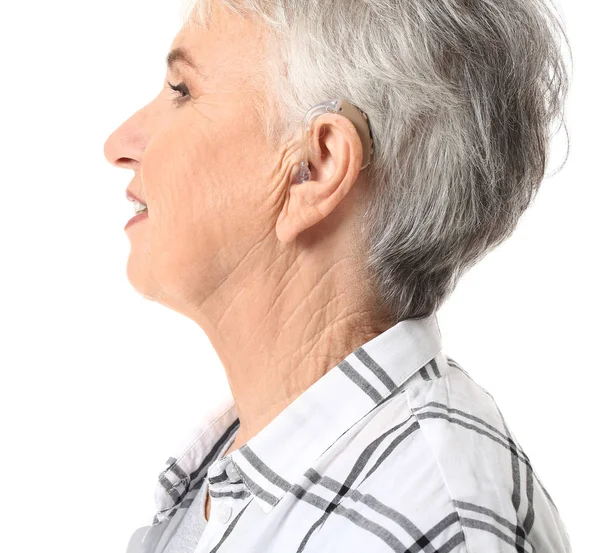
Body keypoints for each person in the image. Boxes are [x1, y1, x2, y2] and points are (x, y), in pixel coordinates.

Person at [103, 0, 572, 552]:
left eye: (182, 91)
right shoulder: (252, 455)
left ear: (316, 168)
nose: (119, 145)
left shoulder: (415, 520)